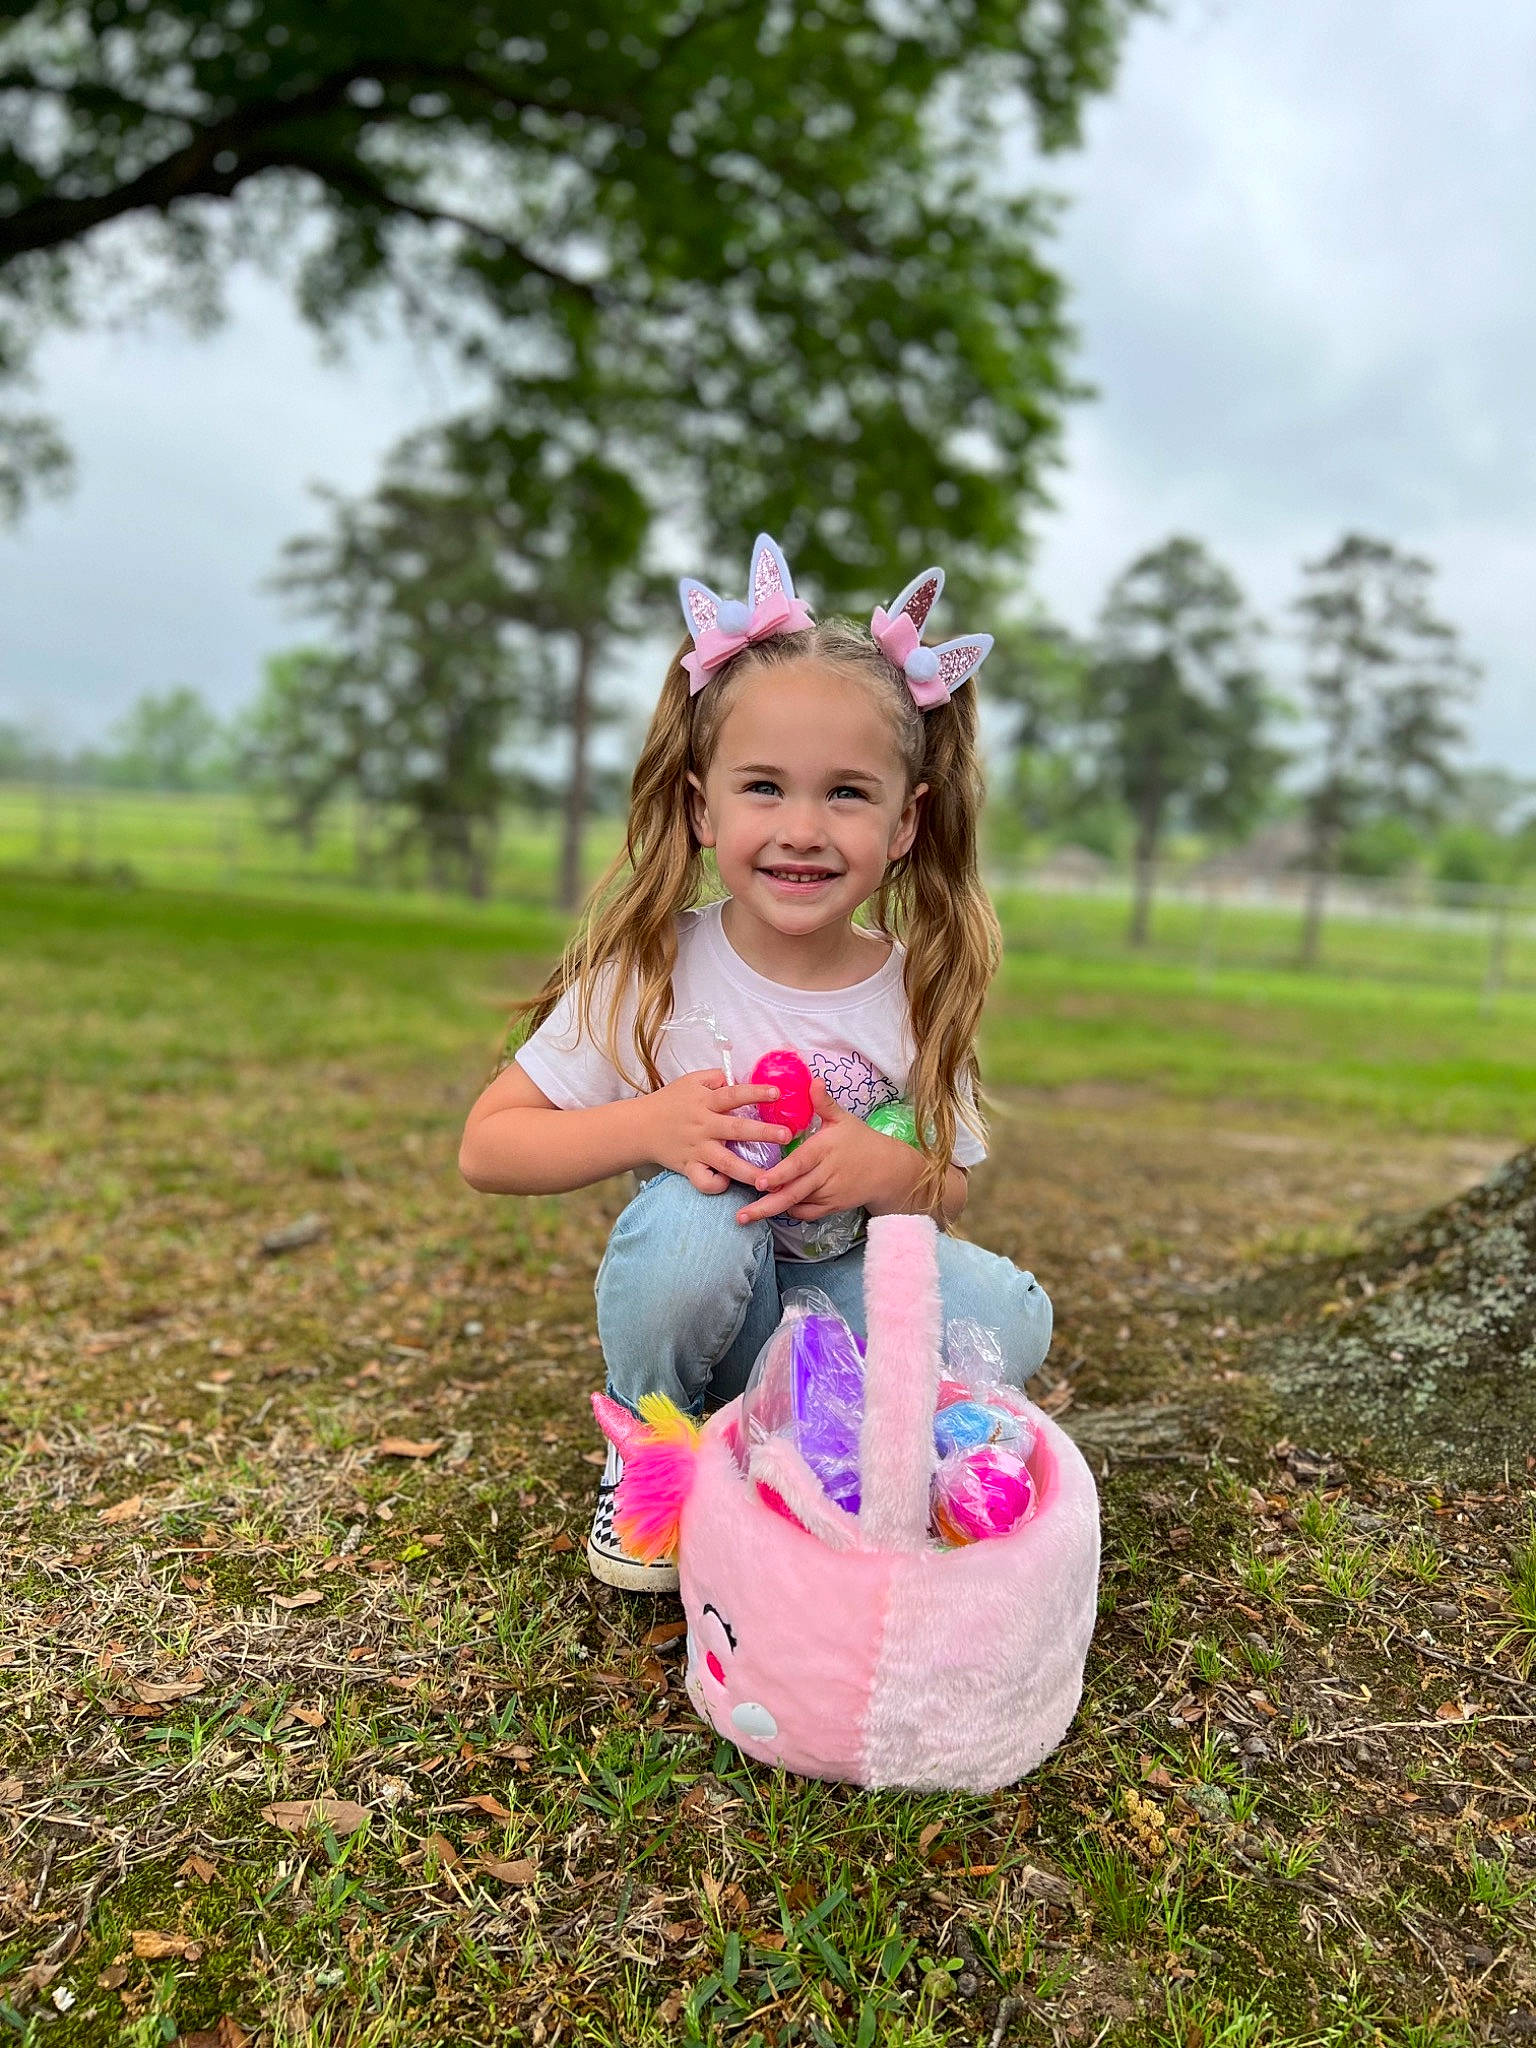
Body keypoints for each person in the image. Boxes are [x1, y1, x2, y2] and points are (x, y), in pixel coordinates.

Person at [459, 535, 1053, 1591]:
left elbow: (947, 1184)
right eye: (765, 787)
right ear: (703, 806)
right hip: (706, 1298)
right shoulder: (651, 969)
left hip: (833, 1305)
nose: (803, 829)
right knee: (696, 1216)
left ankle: (829, 1435)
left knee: (1013, 1312)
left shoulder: (913, 990)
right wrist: (646, 1128)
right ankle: (655, 1439)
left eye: (848, 793)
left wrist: (885, 1169)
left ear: (906, 822)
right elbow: (487, 1146)